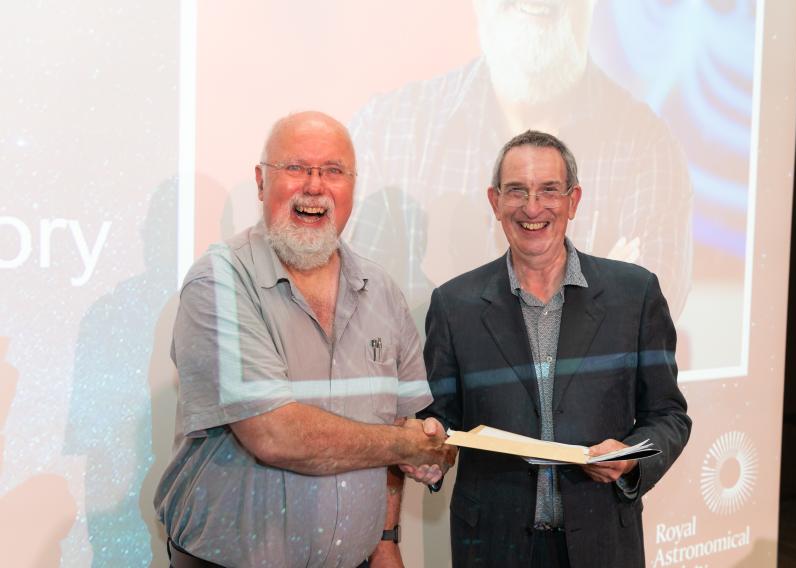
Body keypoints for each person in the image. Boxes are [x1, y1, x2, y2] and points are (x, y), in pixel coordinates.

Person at [154, 111, 454, 568]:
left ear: (352, 187)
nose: (315, 187)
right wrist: (405, 445)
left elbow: (401, 424)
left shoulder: (383, 292)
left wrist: (388, 534)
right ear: (261, 182)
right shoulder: (219, 282)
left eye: (333, 171)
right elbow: (275, 434)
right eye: (296, 168)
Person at [418, 130, 692, 567]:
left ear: (573, 200)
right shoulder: (454, 305)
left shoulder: (635, 294)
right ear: (495, 201)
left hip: (602, 544)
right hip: (491, 547)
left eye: (549, 190)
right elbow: (439, 419)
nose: (532, 208)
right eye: (516, 191)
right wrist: (427, 449)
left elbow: (669, 417)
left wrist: (630, 460)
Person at [346, 0, 692, 324]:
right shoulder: (386, 135)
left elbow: (642, 326)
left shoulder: (649, 152)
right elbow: (353, 333)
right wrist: (586, 305)